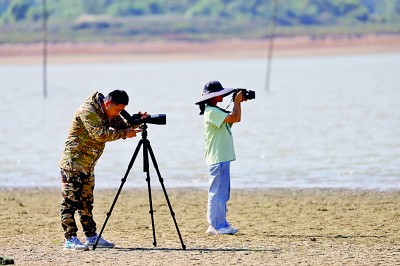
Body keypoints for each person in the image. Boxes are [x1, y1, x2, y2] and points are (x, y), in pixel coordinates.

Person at [59, 90, 145, 250]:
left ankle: (91, 237)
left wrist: (137, 121)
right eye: (118, 110)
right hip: (73, 162)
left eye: (121, 110)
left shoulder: (107, 112)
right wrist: (125, 134)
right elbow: (100, 135)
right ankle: (70, 239)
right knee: (70, 201)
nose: (118, 113)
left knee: (86, 202)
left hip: (88, 164)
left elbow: (124, 126)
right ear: (108, 103)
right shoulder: (88, 111)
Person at [195, 80, 246, 235]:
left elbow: (235, 119)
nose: (222, 95)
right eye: (219, 94)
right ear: (212, 97)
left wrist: (237, 103)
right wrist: (237, 102)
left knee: (222, 192)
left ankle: (220, 223)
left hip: (221, 157)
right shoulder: (211, 112)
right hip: (218, 158)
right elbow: (235, 118)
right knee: (218, 192)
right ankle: (216, 226)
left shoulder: (215, 110)